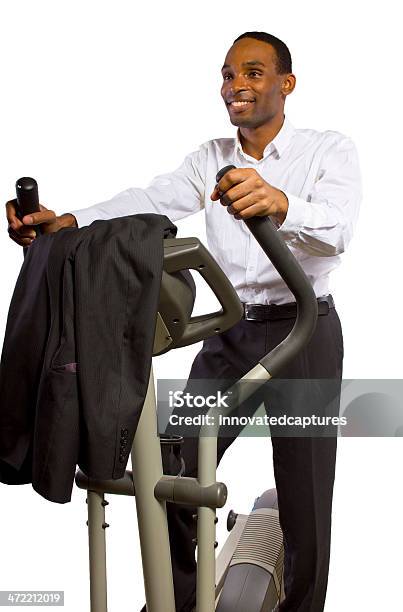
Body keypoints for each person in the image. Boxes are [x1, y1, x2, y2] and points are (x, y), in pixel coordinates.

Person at [5, 31, 361, 612]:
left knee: (306, 495)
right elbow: (151, 199)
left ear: (285, 84)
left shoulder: (327, 150)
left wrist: (281, 203)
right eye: (227, 75)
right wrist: (67, 222)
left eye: (252, 72)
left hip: (306, 331)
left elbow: (339, 228)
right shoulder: (211, 156)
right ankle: (184, 598)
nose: (236, 86)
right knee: (174, 468)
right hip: (232, 332)